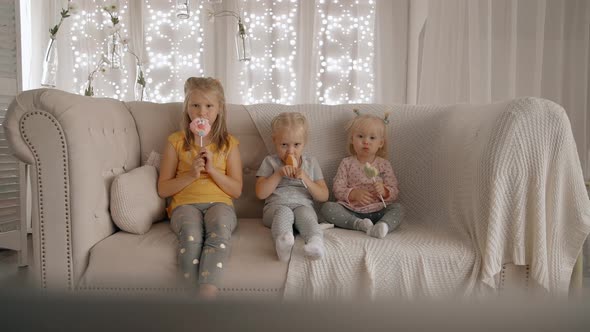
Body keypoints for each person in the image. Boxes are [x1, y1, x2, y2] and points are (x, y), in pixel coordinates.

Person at [157, 77, 242, 299]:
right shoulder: (175, 142)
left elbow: (236, 190)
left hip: (220, 203)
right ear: (187, 107)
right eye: (195, 105)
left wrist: (212, 171)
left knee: (220, 229)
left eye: (208, 106)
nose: (201, 112)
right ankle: (189, 295)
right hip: (184, 205)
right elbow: (163, 189)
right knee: (192, 235)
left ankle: (207, 294)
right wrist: (191, 175)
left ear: (219, 109)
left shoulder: (228, 144)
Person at [255, 112, 329, 261]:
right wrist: (278, 174)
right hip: (275, 209)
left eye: (296, 144)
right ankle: (283, 243)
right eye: (284, 145)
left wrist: (306, 179)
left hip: (302, 207)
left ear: (304, 142)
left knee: (306, 214)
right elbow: (260, 193)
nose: (290, 151)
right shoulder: (270, 162)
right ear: (274, 141)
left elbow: (323, 196)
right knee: (285, 211)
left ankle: (315, 243)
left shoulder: (311, 163)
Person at [320, 110, 403, 239]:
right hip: (350, 210)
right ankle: (359, 224)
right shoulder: (347, 163)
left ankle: (383, 226)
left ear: (380, 143)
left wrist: (385, 191)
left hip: (378, 209)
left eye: (372, 138)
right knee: (327, 207)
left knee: (398, 209)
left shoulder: (384, 165)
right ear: (352, 139)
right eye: (360, 136)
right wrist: (353, 194)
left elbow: (394, 191)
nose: (366, 142)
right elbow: (337, 188)